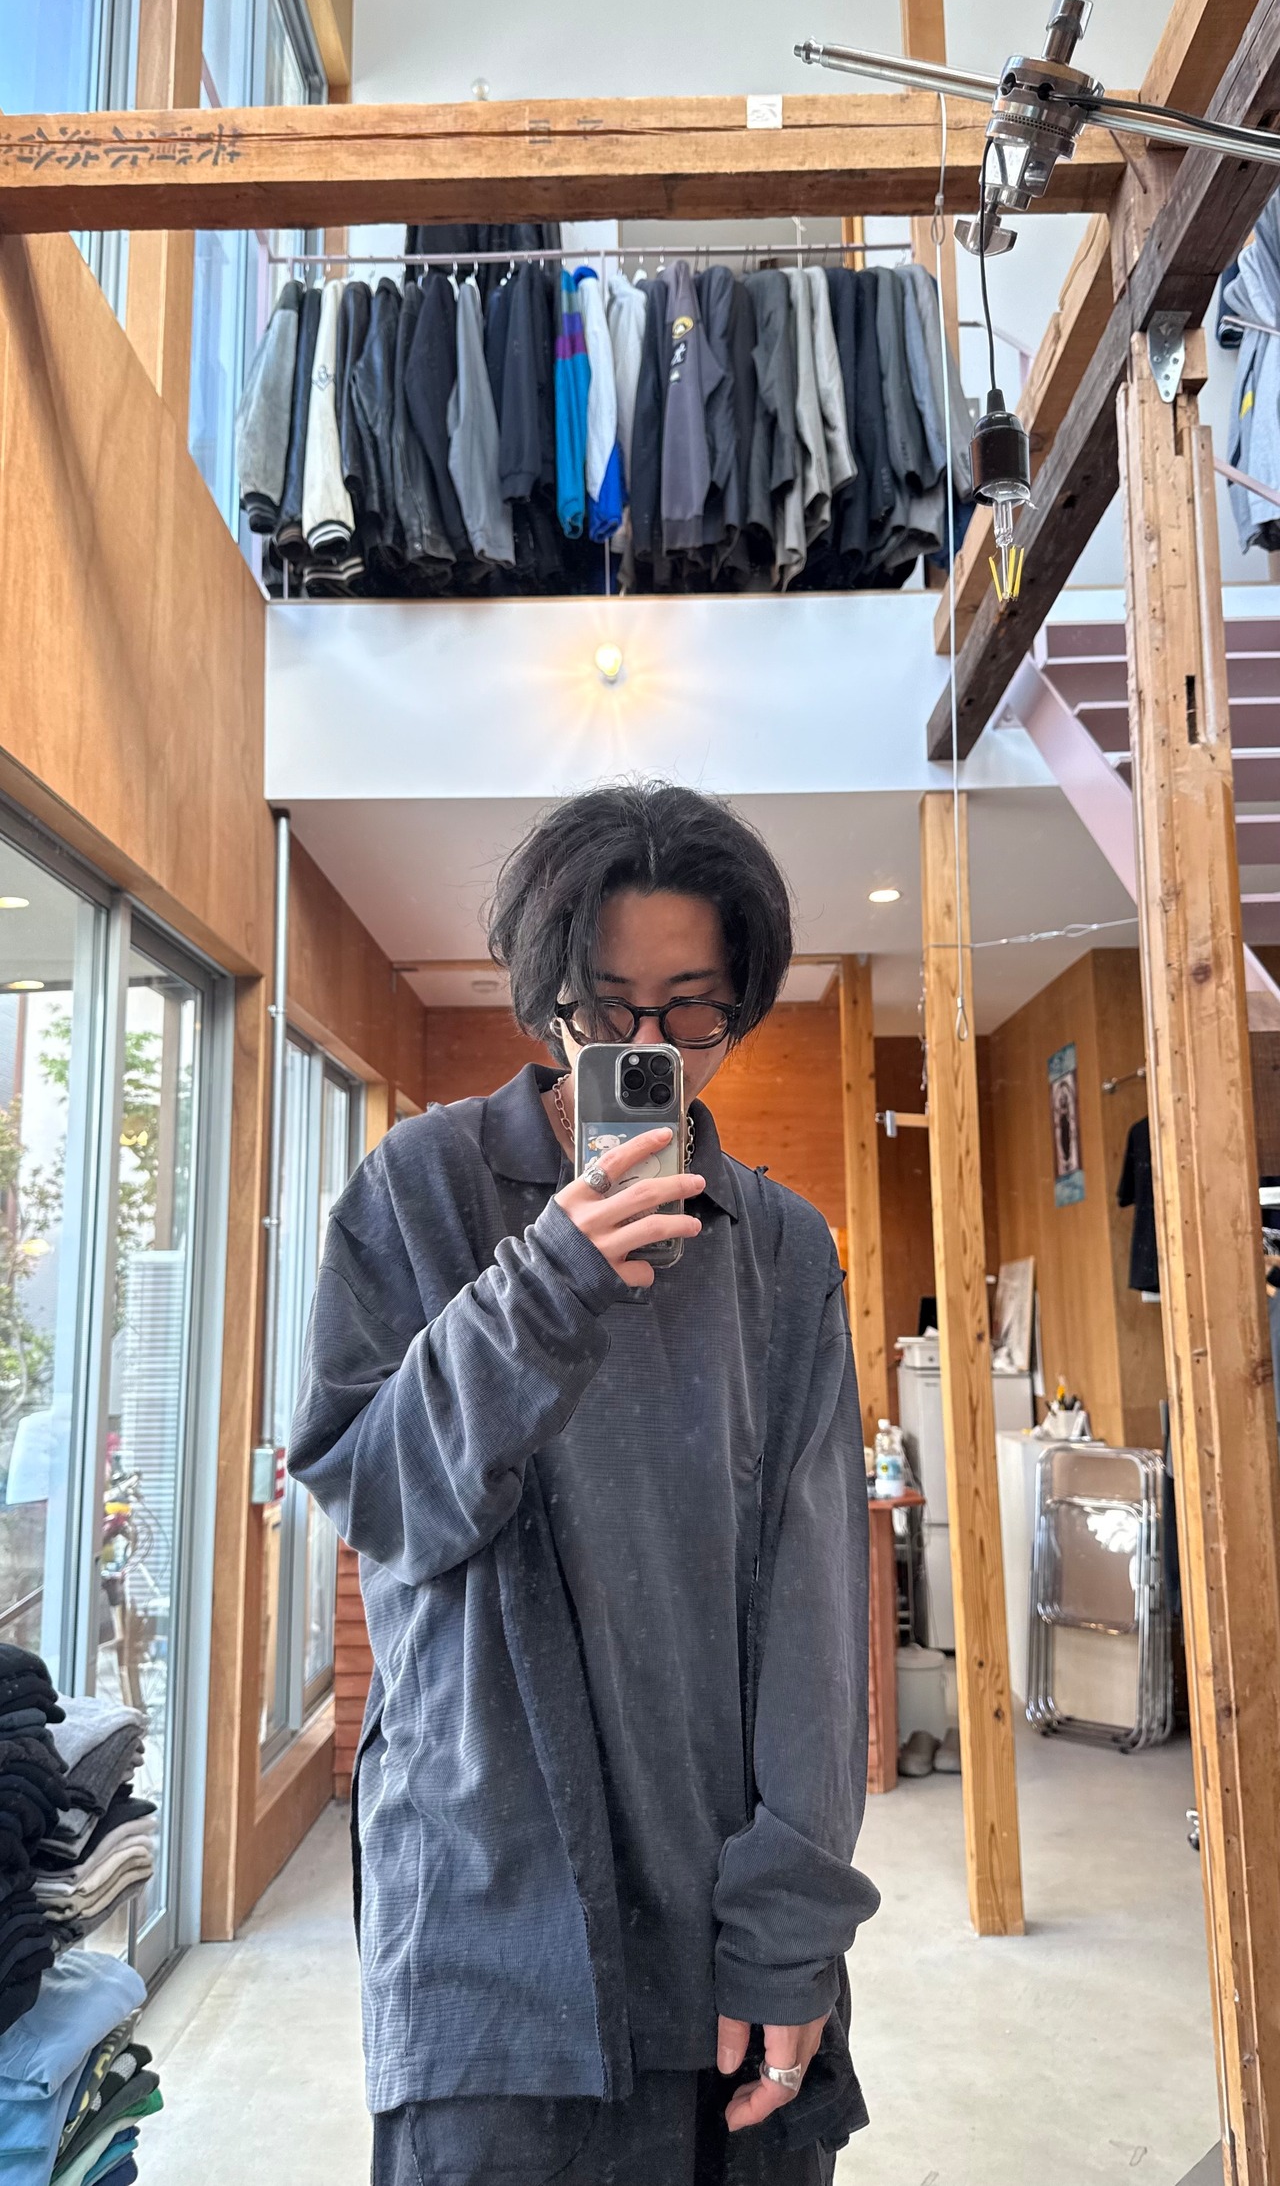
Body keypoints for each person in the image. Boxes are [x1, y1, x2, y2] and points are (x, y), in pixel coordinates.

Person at [289, 781, 878, 2186]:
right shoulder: (420, 1188)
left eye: (693, 1012)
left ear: (741, 1006)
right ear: (548, 994)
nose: (649, 1052)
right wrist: (548, 1283)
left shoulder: (783, 1251)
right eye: (609, 1011)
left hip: (726, 1933)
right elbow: (379, 1497)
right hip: (487, 1938)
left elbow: (818, 1608)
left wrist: (793, 1933)